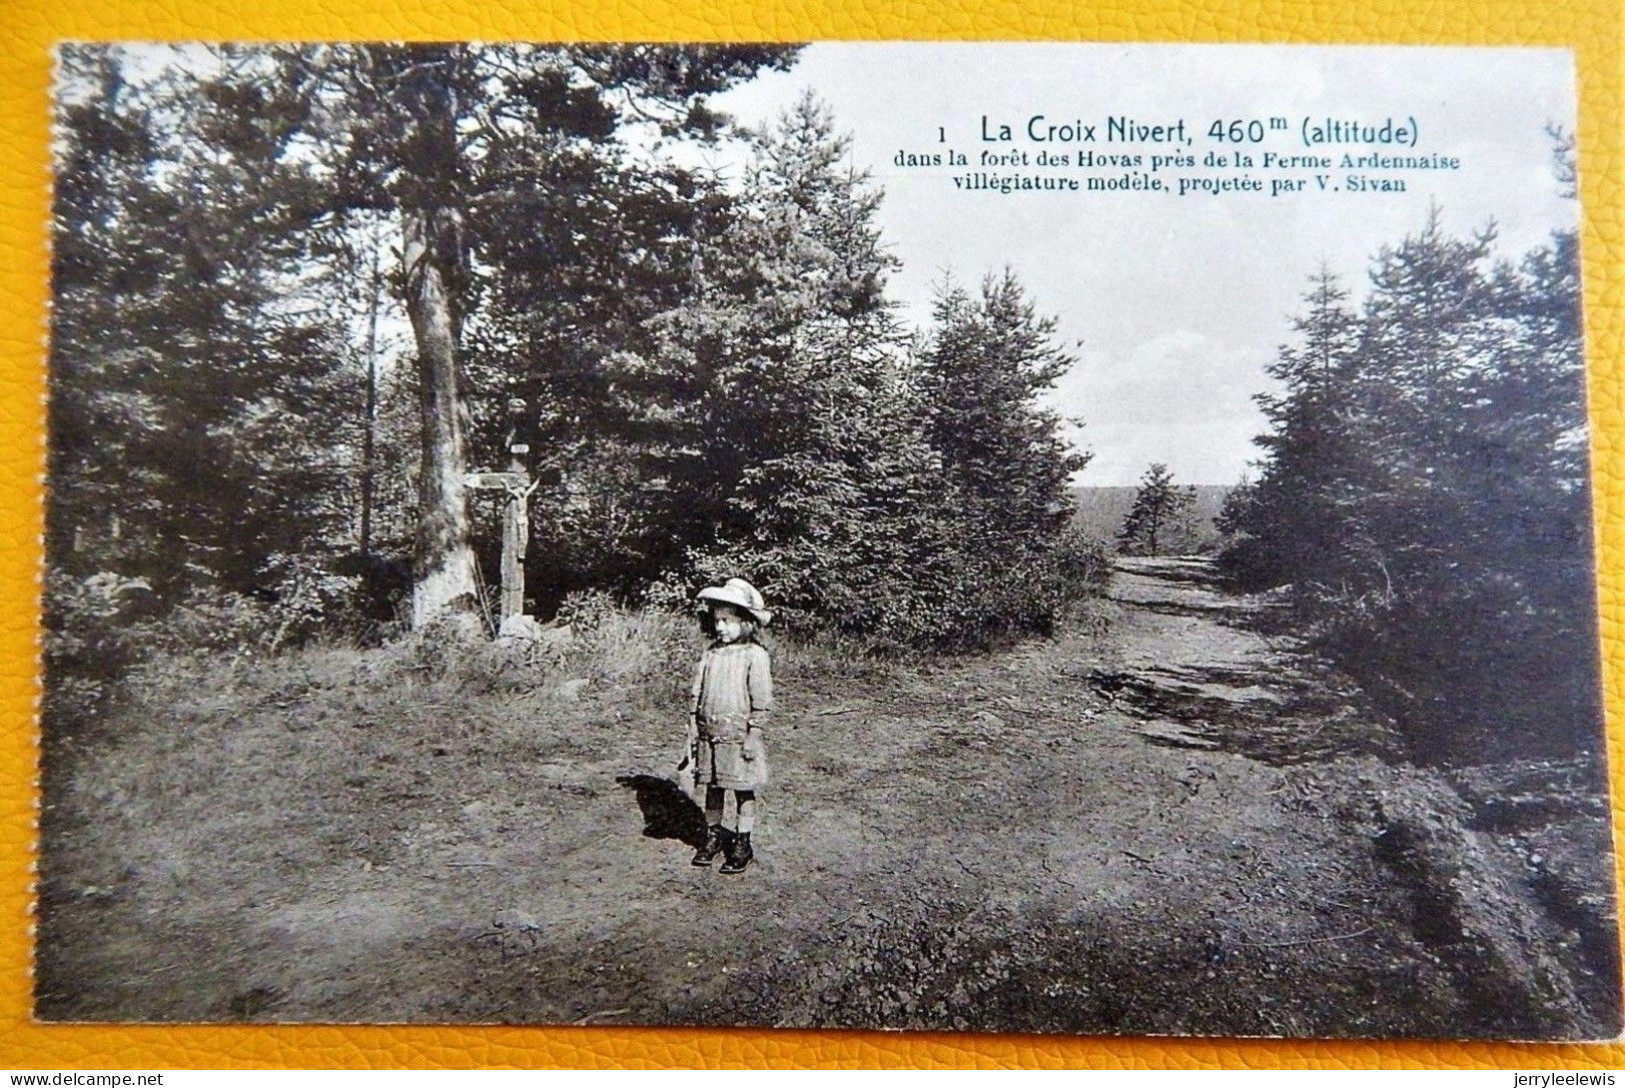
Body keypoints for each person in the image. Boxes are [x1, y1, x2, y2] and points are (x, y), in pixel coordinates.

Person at [681, 578, 773, 875]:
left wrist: (753, 735)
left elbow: (761, 700)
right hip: (710, 733)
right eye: (717, 620)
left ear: (744, 622)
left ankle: (742, 842)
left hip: (738, 736)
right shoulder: (711, 654)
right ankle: (714, 835)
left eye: (728, 621)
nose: (720, 627)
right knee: (713, 788)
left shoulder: (754, 656)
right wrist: (694, 725)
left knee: (743, 790)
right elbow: (697, 690)